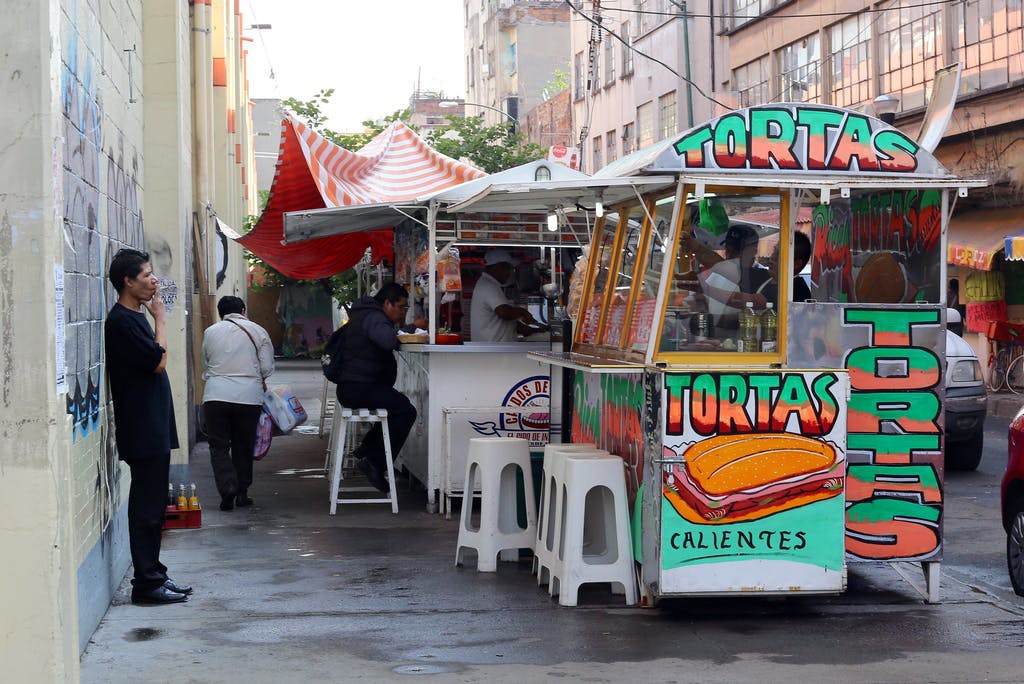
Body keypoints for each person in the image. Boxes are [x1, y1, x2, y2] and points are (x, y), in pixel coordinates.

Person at [105, 248, 191, 605]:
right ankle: (146, 584)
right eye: (146, 275)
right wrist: (161, 321)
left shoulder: (134, 316)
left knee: (154, 506)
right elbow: (158, 361)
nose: (154, 280)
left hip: (152, 425)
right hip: (142, 428)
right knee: (146, 507)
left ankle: (155, 574)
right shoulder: (123, 322)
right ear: (128, 281)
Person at [335, 282, 423, 493]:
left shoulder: (366, 314)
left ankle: (367, 447)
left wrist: (407, 329)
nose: (402, 313)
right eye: (401, 307)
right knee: (405, 410)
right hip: (358, 387)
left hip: (355, 386)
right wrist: (409, 330)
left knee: (397, 406)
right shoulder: (374, 317)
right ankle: (374, 462)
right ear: (387, 303)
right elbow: (386, 340)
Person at [201, 296, 275, 511]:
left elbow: (206, 362)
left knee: (219, 446)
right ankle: (242, 492)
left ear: (220, 312)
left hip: (216, 395)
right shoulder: (258, 331)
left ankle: (227, 489)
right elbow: (267, 367)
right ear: (243, 310)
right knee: (243, 445)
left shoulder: (211, 332)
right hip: (248, 397)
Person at [698, 224, 772, 334]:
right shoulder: (716, 275)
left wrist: (709, 320)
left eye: (737, 252)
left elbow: (746, 316)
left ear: (753, 252)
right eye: (728, 250)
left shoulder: (764, 279)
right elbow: (700, 301)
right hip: (715, 345)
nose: (730, 255)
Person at [470, 249, 544, 342]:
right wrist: (522, 312)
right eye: (509, 269)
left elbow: (507, 323)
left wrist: (536, 331)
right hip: (492, 350)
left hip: (495, 348)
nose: (510, 273)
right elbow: (504, 312)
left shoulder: (489, 284)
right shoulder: (488, 285)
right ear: (499, 267)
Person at [762, 230, 812, 303]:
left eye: (779, 253)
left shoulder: (798, 292)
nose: (772, 257)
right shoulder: (769, 280)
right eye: (774, 251)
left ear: (796, 264)